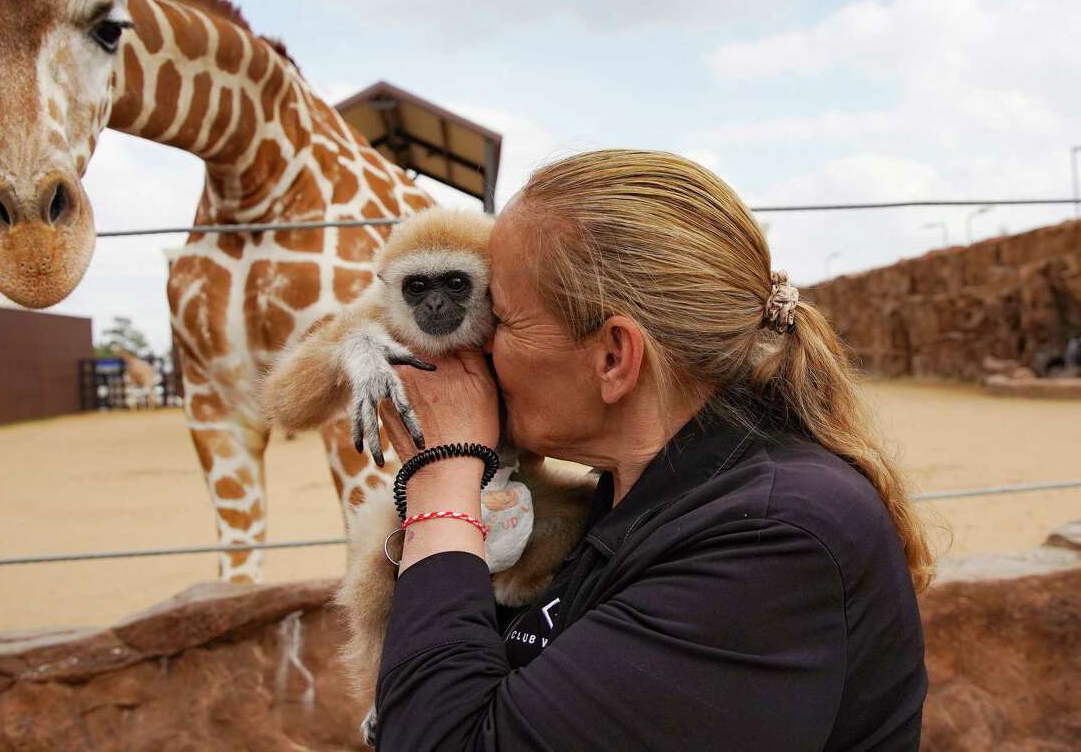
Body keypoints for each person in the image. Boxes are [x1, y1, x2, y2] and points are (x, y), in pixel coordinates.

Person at [373, 150, 931, 751]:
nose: (474, 349)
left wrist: (444, 472)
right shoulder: (648, 488)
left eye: (502, 320)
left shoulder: (772, 542)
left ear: (614, 357)